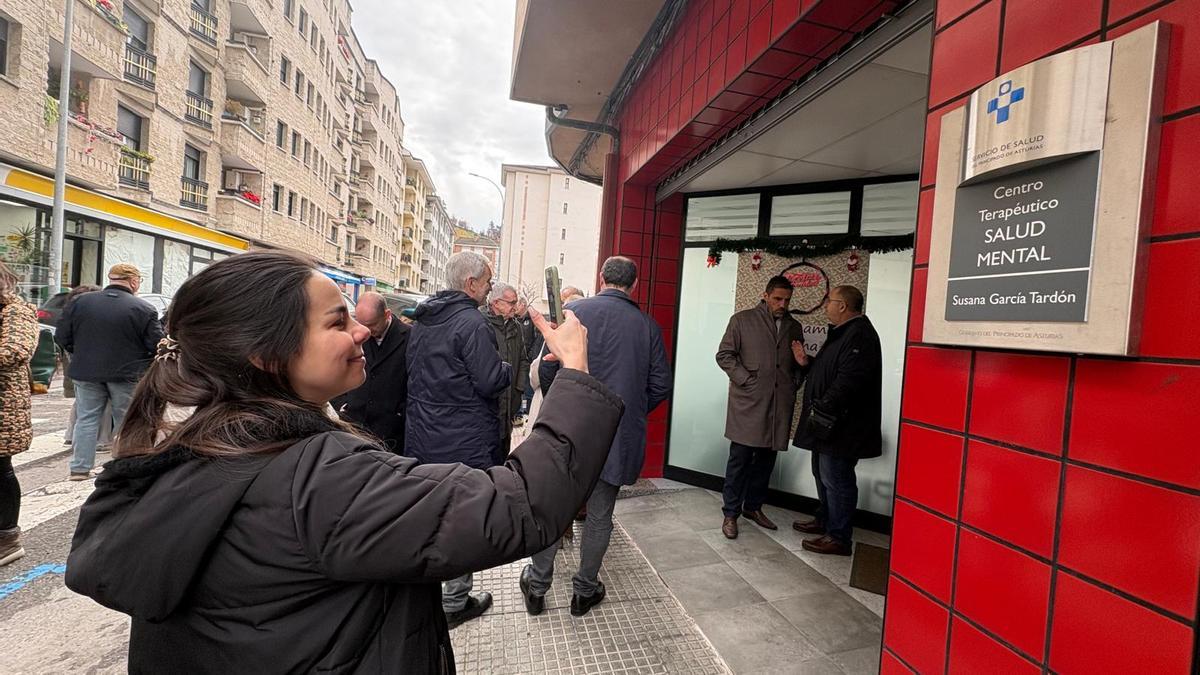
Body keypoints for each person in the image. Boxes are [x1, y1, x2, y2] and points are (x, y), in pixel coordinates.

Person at [65, 251, 624, 673]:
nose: (361, 331)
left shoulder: (204, 443)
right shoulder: (319, 478)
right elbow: (522, 506)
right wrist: (575, 373)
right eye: (336, 323)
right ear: (266, 354)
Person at [522, 256, 672, 617]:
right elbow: (660, 385)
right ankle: (584, 590)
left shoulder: (573, 313)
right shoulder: (647, 326)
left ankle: (538, 585)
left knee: (555, 509)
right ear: (634, 285)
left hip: (568, 430)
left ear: (601, 277)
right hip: (615, 436)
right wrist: (625, 410)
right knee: (601, 515)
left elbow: (546, 371)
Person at [406, 251, 512, 626]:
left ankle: (431, 596)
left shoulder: (424, 320)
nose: (489, 289)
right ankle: (455, 601)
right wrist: (506, 369)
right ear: (470, 284)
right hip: (462, 439)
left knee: (431, 515)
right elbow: (488, 380)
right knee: (461, 519)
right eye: (487, 282)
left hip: (423, 436)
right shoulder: (471, 323)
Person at [791, 285, 883, 556]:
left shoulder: (860, 335)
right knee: (822, 473)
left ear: (842, 306)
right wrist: (806, 362)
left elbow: (848, 381)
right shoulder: (843, 333)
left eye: (829, 301)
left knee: (837, 479)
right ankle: (825, 521)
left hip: (842, 426)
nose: (825, 306)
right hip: (827, 423)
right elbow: (829, 370)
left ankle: (839, 537)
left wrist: (822, 405)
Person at [715, 276, 806, 540]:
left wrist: (796, 380)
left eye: (787, 300)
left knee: (766, 460)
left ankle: (753, 507)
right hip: (748, 403)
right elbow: (724, 355)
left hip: (779, 405)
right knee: (740, 460)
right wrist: (746, 380)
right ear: (765, 295)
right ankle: (730, 513)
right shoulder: (741, 320)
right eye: (778, 298)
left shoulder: (794, 326)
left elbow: (797, 361)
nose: (782, 304)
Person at [56, 264, 164, 480]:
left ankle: (79, 467)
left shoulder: (80, 302)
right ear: (133, 281)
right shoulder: (143, 308)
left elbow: (61, 336)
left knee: (87, 417)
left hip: (86, 371)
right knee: (125, 418)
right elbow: (156, 344)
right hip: (126, 373)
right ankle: (123, 463)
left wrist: (79, 353)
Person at [332, 292, 410, 454]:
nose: (365, 331)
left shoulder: (410, 337)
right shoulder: (355, 335)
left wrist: (401, 411)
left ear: (387, 315)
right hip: (355, 424)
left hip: (391, 430)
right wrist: (343, 404)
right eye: (361, 324)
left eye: (371, 324)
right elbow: (338, 370)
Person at [0, 261, 38, 566]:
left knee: (0, 470)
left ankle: (7, 538)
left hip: (4, 407)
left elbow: (16, 350)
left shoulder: (16, 310)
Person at [483, 282, 529, 463]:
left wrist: (518, 389)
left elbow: (523, 360)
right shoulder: (480, 323)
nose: (515, 307)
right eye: (511, 302)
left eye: (516, 302)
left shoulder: (515, 326)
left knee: (503, 450)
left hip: (510, 401)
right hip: (489, 404)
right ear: (496, 303)